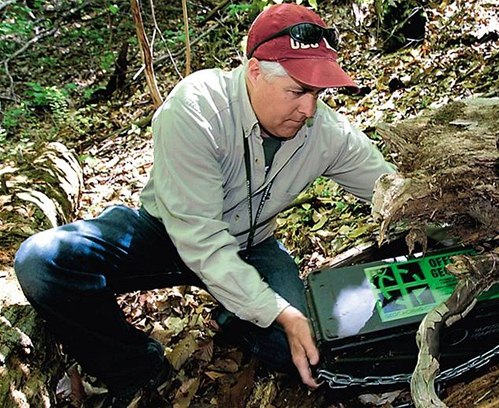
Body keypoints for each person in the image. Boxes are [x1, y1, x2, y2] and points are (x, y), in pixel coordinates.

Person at [14, 3, 395, 406]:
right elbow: (202, 239)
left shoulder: (325, 131)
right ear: (254, 72)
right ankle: (134, 367)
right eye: (298, 91)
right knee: (43, 263)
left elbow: (389, 189)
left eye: (317, 93)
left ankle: (234, 312)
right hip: (164, 233)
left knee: (295, 351)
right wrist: (278, 310)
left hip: (251, 245)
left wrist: (452, 222)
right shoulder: (197, 108)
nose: (309, 109)